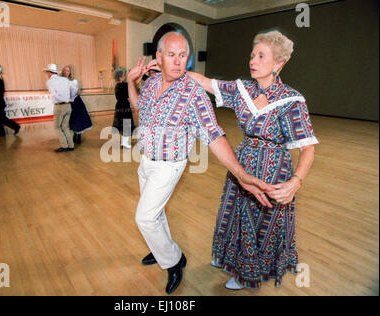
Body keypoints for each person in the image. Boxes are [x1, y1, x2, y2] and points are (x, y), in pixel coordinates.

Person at [127, 31, 274, 295]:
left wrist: (241, 174)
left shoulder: (193, 94)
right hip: (146, 160)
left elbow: (214, 134)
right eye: (171, 55)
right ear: (158, 57)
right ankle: (164, 250)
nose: (177, 61)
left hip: (169, 165)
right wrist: (131, 81)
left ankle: (173, 262)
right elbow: (139, 108)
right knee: (155, 213)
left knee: (145, 217)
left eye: (183, 56)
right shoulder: (150, 83)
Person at [188, 30, 319, 290]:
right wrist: (171, 67)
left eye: (261, 56)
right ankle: (228, 258)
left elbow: (308, 149)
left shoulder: (292, 100)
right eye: (252, 55)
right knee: (234, 214)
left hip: (273, 170)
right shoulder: (242, 89)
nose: (253, 60)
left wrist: (296, 181)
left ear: (278, 64)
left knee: (257, 220)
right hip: (243, 160)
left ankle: (247, 273)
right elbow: (203, 81)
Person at [44, 64, 77, 152]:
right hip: (68, 106)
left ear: (49, 73)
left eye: (47, 72)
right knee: (65, 126)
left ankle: (64, 146)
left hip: (59, 106)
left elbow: (55, 95)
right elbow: (74, 89)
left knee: (57, 127)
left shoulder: (50, 82)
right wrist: (71, 98)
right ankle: (71, 145)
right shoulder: (64, 79)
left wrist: (66, 99)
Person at [61, 65, 92, 145]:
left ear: (70, 72)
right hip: (69, 102)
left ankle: (79, 136)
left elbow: (75, 91)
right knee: (72, 120)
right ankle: (75, 135)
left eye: (68, 71)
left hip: (76, 101)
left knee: (79, 119)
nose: (66, 72)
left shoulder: (74, 81)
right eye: (64, 70)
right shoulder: (61, 81)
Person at [112, 67, 135, 149]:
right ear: (121, 76)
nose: (125, 77)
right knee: (126, 124)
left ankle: (124, 142)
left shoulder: (117, 85)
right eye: (124, 75)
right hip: (124, 105)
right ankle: (125, 143)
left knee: (123, 124)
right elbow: (129, 94)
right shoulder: (124, 85)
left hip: (119, 105)